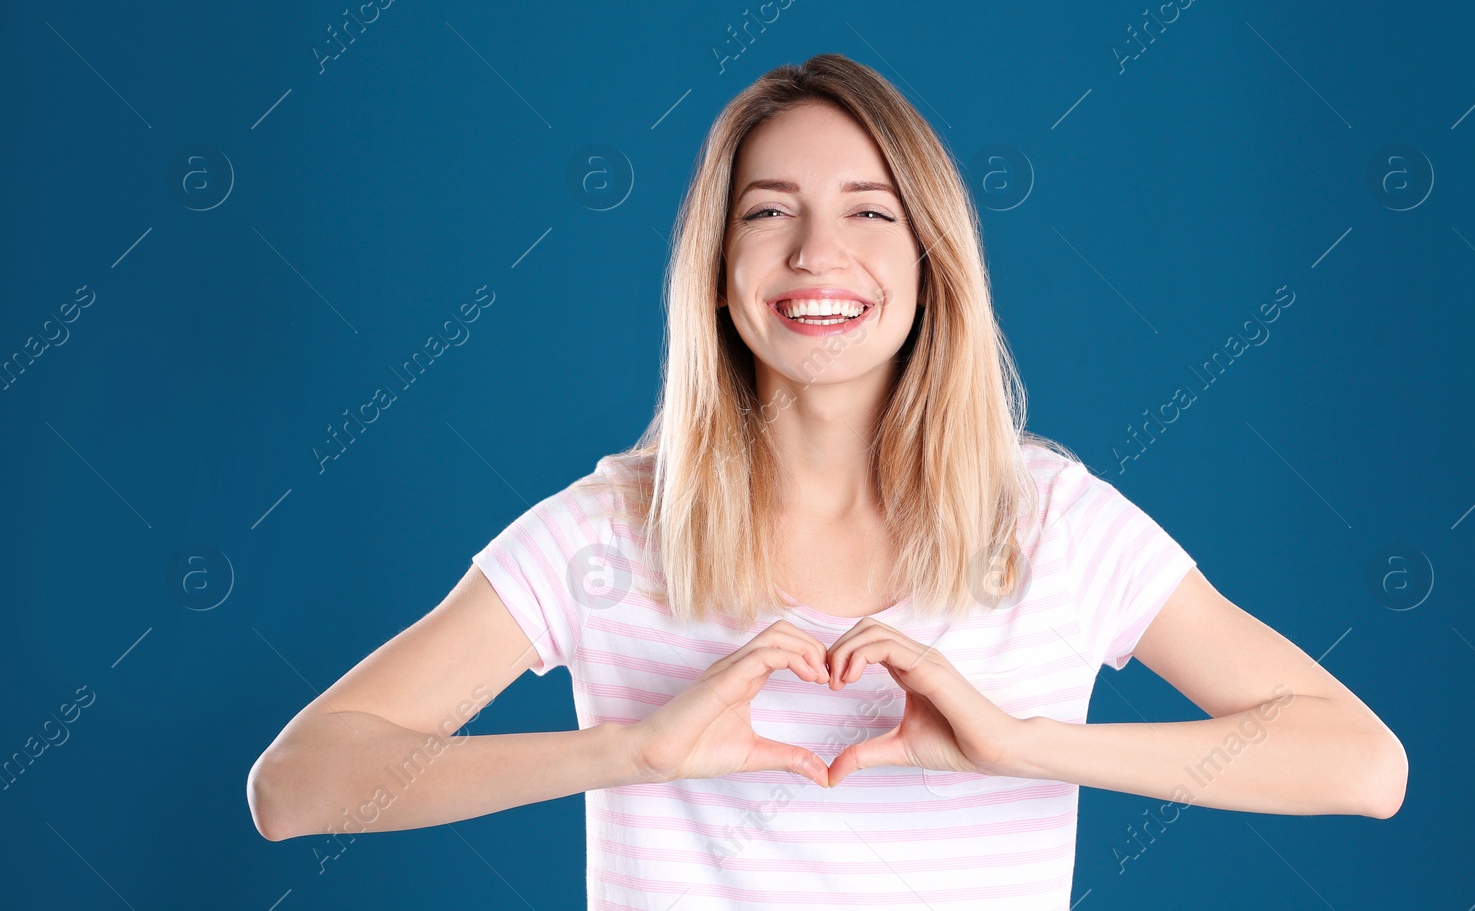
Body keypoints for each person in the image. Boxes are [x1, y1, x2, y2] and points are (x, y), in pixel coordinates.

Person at [246, 53, 1407, 907]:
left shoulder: (1047, 520)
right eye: (768, 214)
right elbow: (295, 785)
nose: (816, 256)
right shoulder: (609, 531)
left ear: (929, 262)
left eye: (868, 211)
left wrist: (1024, 741)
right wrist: (630, 751)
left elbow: (1359, 762)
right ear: (715, 271)